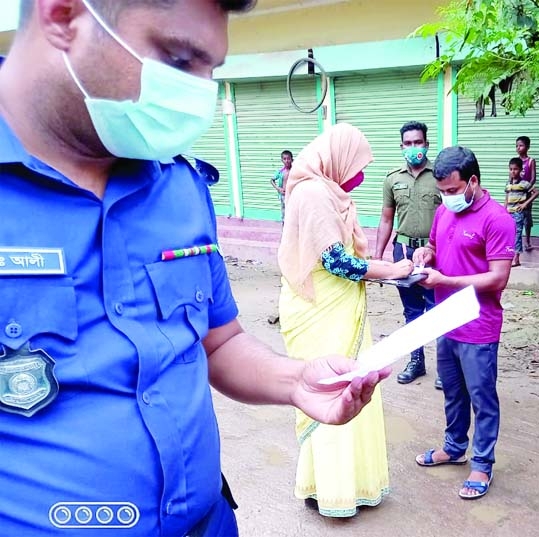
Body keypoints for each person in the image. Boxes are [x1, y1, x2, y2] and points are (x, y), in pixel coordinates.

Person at [0, 1, 386, 534]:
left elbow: (218, 342)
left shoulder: (179, 184)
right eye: (179, 61)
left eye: (213, 69)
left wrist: (295, 379)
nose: (198, 95)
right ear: (64, 15)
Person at [278, 123, 412, 518]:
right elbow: (336, 262)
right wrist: (390, 270)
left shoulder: (328, 191)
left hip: (338, 306)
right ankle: (333, 492)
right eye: (358, 165)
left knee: (353, 389)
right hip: (319, 307)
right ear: (339, 159)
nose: (362, 175)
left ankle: (343, 485)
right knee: (332, 390)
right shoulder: (314, 192)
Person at [412, 146, 516, 501]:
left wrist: (445, 281)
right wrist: (426, 254)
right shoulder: (443, 211)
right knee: (452, 393)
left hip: (478, 326)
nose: (447, 197)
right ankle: (454, 447)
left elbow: (497, 278)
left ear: (473, 181)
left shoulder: (498, 219)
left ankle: (482, 464)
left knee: (481, 397)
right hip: (446, 322)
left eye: (453, 190)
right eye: (442, 191)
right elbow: (435, 246)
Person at [375, 121, 443, 388]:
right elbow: (385, 219)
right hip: (403, 250)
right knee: (412, 310)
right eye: (408, 143)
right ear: (401, 146)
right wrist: (379, 255)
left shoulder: (439, 175)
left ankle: (445, 368)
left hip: (434, 251)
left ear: (426, 144)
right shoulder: (393, 178)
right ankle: (417, 361)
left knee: (438, 309)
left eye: (418, 142)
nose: (414, 148)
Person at [504, 157, 539, 267]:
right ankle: (510, 256)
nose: (512, 171)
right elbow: (507, 198)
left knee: (517, 235)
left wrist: (525, 204)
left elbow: (536, 192)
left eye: (515, 169)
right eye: (510, 169)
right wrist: (503, 210)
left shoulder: (524, 183)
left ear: (520, 170)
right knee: (509, 235)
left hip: (518, 214)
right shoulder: (508, 184)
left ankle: (516, 258)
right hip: (509, 213)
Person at [515, 135, 537, 251]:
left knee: (527, 218)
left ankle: (527, 241)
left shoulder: (530, 161)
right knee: (515, 216)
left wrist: (527, 188)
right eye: (517, 146)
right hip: (516, 193)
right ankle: (516, 241)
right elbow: (512, 176)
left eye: (521, 145)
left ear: (527, 147)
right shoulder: (515, 162)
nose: (518, 148)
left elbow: (533, 178)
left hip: (527, 193)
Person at [271, 149, 293, 221]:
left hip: (293, 195)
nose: (286, 161)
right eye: (284, 159)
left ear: (292, 159)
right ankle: (284, 229)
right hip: (283, 195)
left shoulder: (295, 170)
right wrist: (278, 188)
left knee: (293, 213)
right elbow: (272, 180)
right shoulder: (280, 171)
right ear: (282, 160)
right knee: (284, 214)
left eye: (288, 159)